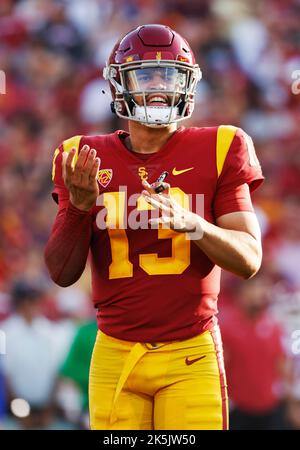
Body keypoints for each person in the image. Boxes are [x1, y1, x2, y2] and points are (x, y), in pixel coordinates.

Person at [44, 24, 264, 430]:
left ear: (188, 84)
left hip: (191, 351)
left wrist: (194, 224)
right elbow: (61, 273)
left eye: (170, 75)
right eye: (146, 75)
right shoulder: (81, 155)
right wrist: (78, 208)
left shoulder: (222, 146)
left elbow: (250, 258)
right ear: (119, 86)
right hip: (114, 350)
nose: (160, 87)